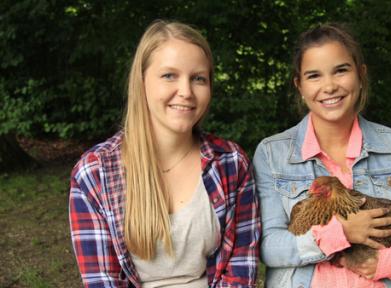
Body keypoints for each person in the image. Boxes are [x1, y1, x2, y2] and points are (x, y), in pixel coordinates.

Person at [253, 23, 391, 287]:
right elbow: (268, 246)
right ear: (299, 85)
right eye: (314, 76)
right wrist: (341, 233)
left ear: (360, 75)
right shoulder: (272, 153)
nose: (329, 86)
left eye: (341, 70)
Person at [69, 20, 260, 288]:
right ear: (142, 81)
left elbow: (240, 269)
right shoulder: (94, 173)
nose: (186, 92)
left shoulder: (231, 164)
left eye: (198, 79)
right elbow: (103, 281)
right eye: (169, 75)